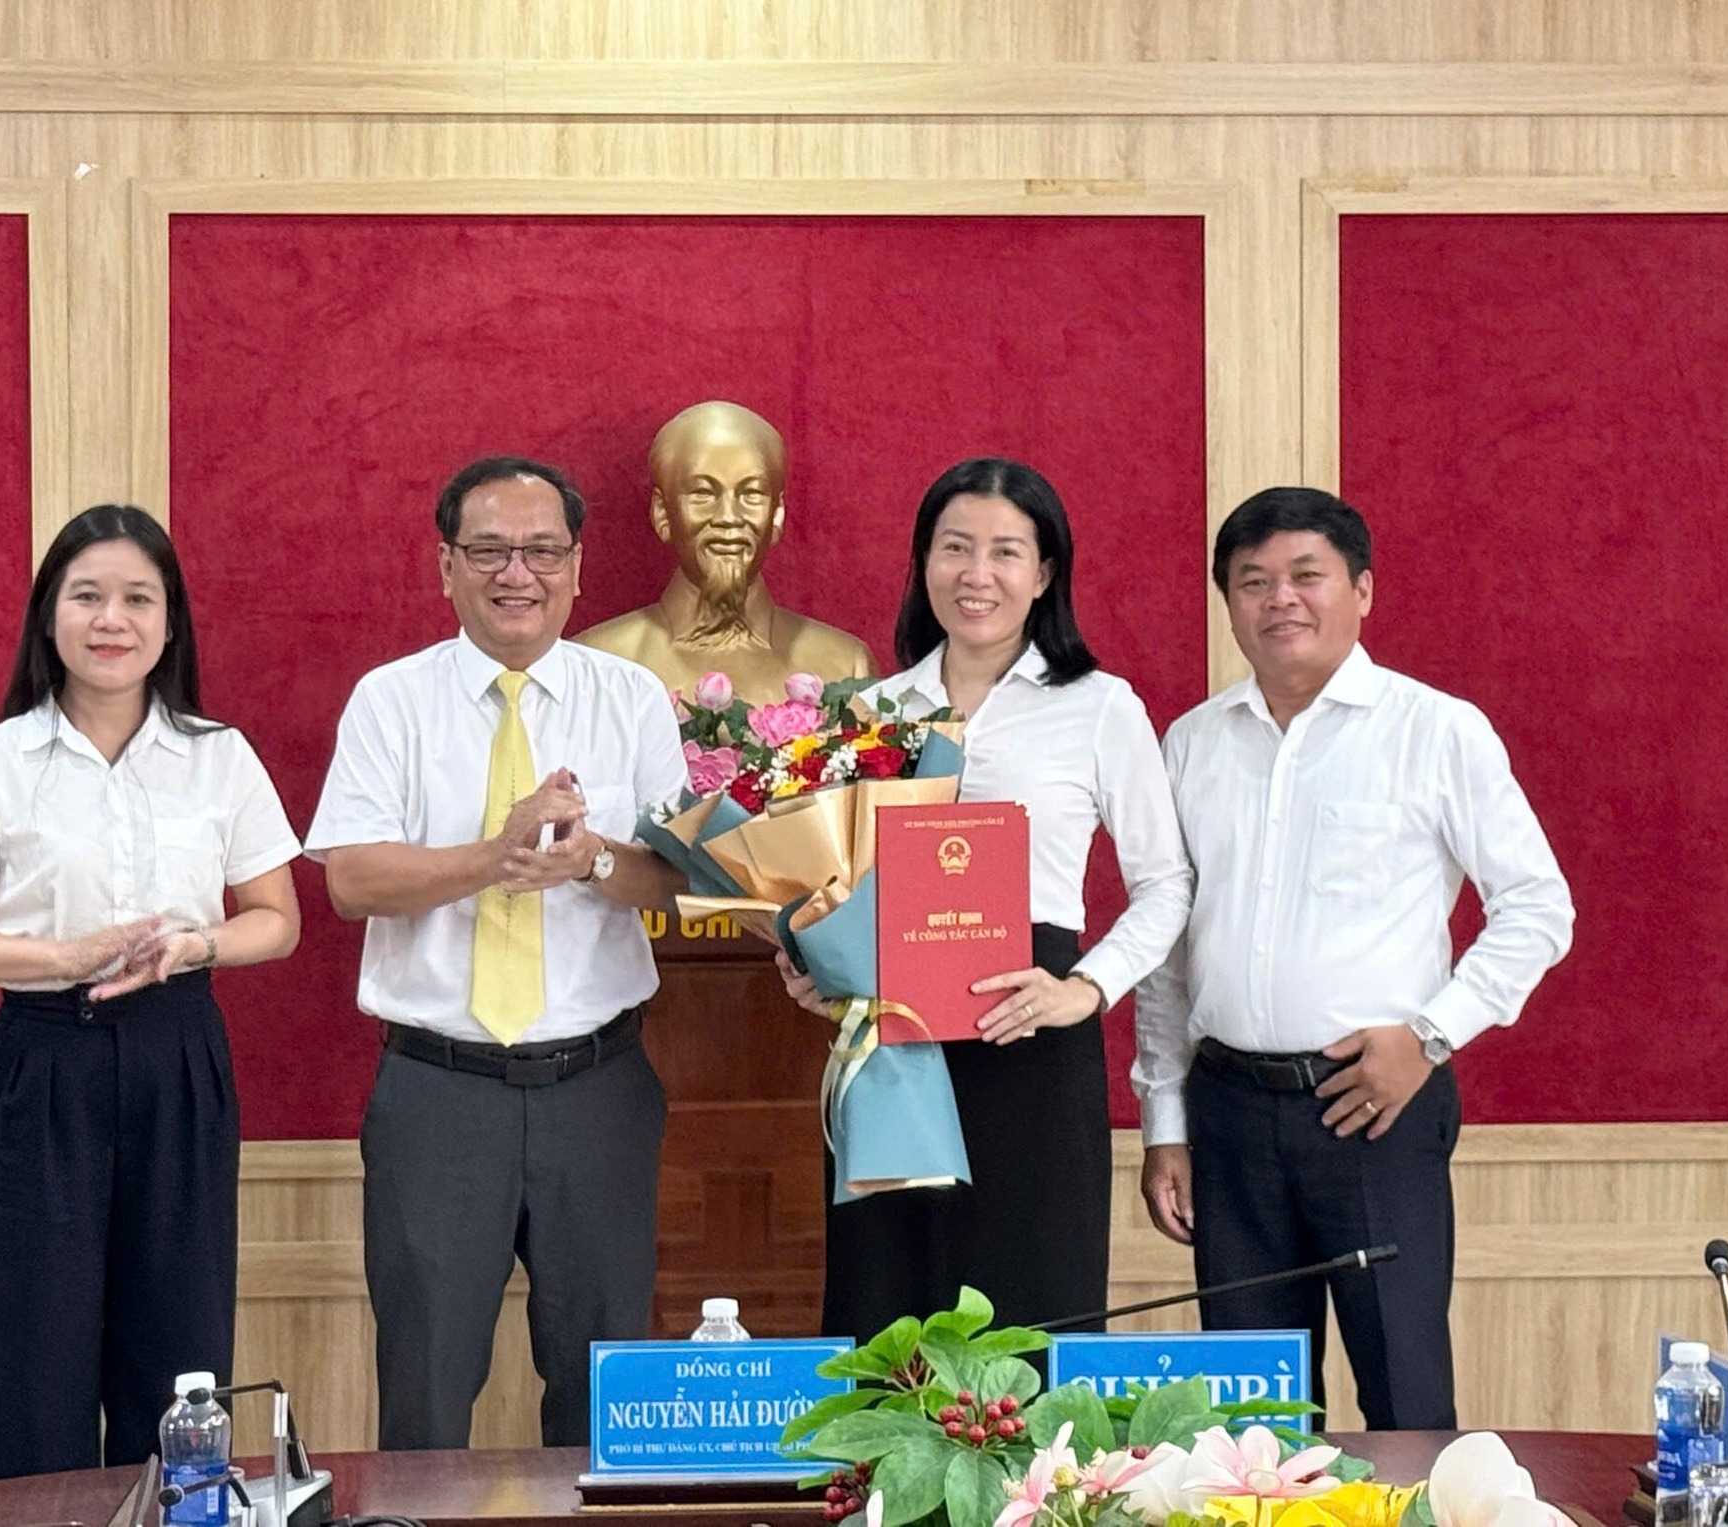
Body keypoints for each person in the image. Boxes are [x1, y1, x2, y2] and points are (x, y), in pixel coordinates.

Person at [1133, 486, 1574, 1430]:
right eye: (1253, 581)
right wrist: (1165, 1120)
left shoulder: (1435, 729)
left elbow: (1539, 907)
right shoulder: (1191, 744)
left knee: (1405, 1396)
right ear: (1228, 601)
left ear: (1363, 590)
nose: (1280, 599)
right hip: (1228, 1113)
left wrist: (1430, 1036)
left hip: (1377, 1104)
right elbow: (1167, 955)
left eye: (1307, 575)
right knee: (1250, 1422)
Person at [0, 504, 302, 1480]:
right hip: (45, 1058)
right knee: (36, 1359)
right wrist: (61, 955)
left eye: (136, 599)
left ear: (170, 621)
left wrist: (200, 943)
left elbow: (277, 918)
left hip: (179, 1055)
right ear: (50, 616)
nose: (111, 619)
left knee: (179, 1357)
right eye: (87, 596)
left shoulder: (218, 755)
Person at [307, 456, 689, 1449]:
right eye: (488, 551)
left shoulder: (631, 697)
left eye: (542, 551)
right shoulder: (392, 701)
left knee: (606, 1400)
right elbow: (352, 880)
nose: (516, 573)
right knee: (426, 1397)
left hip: (598, 1088)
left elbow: (678, 880)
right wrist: (498, 853)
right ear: (445, 567)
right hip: (440, 1095)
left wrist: (592, 859)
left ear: (576, 566)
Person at [777, 457, 1192, 1340]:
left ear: (1044, 574)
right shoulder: (874, 712)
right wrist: (817, 963)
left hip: (1030, 1031)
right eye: (955, 547)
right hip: (891, 1038)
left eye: (1006, 551)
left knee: (1031, 1306)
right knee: (887, 1305)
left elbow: (1166, 885)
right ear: (924, 561)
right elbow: (834, 877)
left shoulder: (1099, 706)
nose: (977, 573)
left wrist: (1084, 988)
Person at [576, 399, 875, 702]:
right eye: (703, 493)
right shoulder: (595, 665)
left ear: (777, 514)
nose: (728, 517)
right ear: (662, 512)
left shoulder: (845, 666)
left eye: (751, 493)